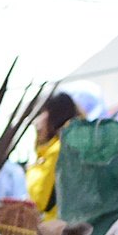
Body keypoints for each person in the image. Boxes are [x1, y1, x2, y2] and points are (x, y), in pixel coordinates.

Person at [27, 90, 82, 220]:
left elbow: (39, 201)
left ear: (51, 115)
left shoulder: (57, 150)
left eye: (41, 113)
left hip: (58, 228)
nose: (37, 121)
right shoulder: (76, 143)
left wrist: (33, 168)